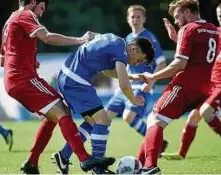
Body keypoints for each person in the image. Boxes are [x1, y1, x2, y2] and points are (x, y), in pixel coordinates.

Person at [0, 0, 116, 174]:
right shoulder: (26, 14)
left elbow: (4, 59)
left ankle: (32, 163)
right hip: (23, 79)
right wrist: (80, 40)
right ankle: (84, 159)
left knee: (53, 115)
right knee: (63, 111)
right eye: (41, 8)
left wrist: (29, 60)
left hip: (14, 79)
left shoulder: (9, 21)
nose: (40, 13)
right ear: (32, 2)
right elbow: (47, 37)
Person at [135, 0, 219, 173]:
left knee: (154, 120)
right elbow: (201, 55)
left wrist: (153, 77)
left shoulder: (188, 29)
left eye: (178, 16)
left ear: (188, 13)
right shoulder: (212, 29)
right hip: (203, 88)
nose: (176, 21)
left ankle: (149, 167)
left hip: (185, 85)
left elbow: (180, 63)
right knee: (158, 123)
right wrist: (176, 38)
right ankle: (138, 165)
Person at [51, 33, 155, 174]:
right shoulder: (122, 51)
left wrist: (131, 76)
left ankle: (63, 155)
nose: (136, 64)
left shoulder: (114, 40)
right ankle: (98, 169)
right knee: (104, 120)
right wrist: (134, 100)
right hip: (76, 80)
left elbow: (107, 71)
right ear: (133, 48)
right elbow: (124, 86)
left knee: (93, 123)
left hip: (67, 76)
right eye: (139, 60)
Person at [160, 2, 221, 160]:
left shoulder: (208, 30)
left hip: (217, 85)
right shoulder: (214, 31)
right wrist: (176, 38)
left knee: (205, 111)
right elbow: (198, 53)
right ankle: (181, 154)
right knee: (194, 117)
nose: (220, 17)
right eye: (219, 14)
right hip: (209, 84)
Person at [105, 4, 168, 151]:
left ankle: (157, 143)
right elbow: (125, 65)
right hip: (127, 86)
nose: (135, 19)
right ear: (128, 19)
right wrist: (120, 83)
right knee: (105, 117)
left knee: (129, 116)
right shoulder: (127, 38)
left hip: (141, 85)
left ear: (144, 19)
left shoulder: (150, 38)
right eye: (132, 16)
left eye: (138, 16)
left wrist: (150, 83)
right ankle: (99, 151)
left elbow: (162, 63)